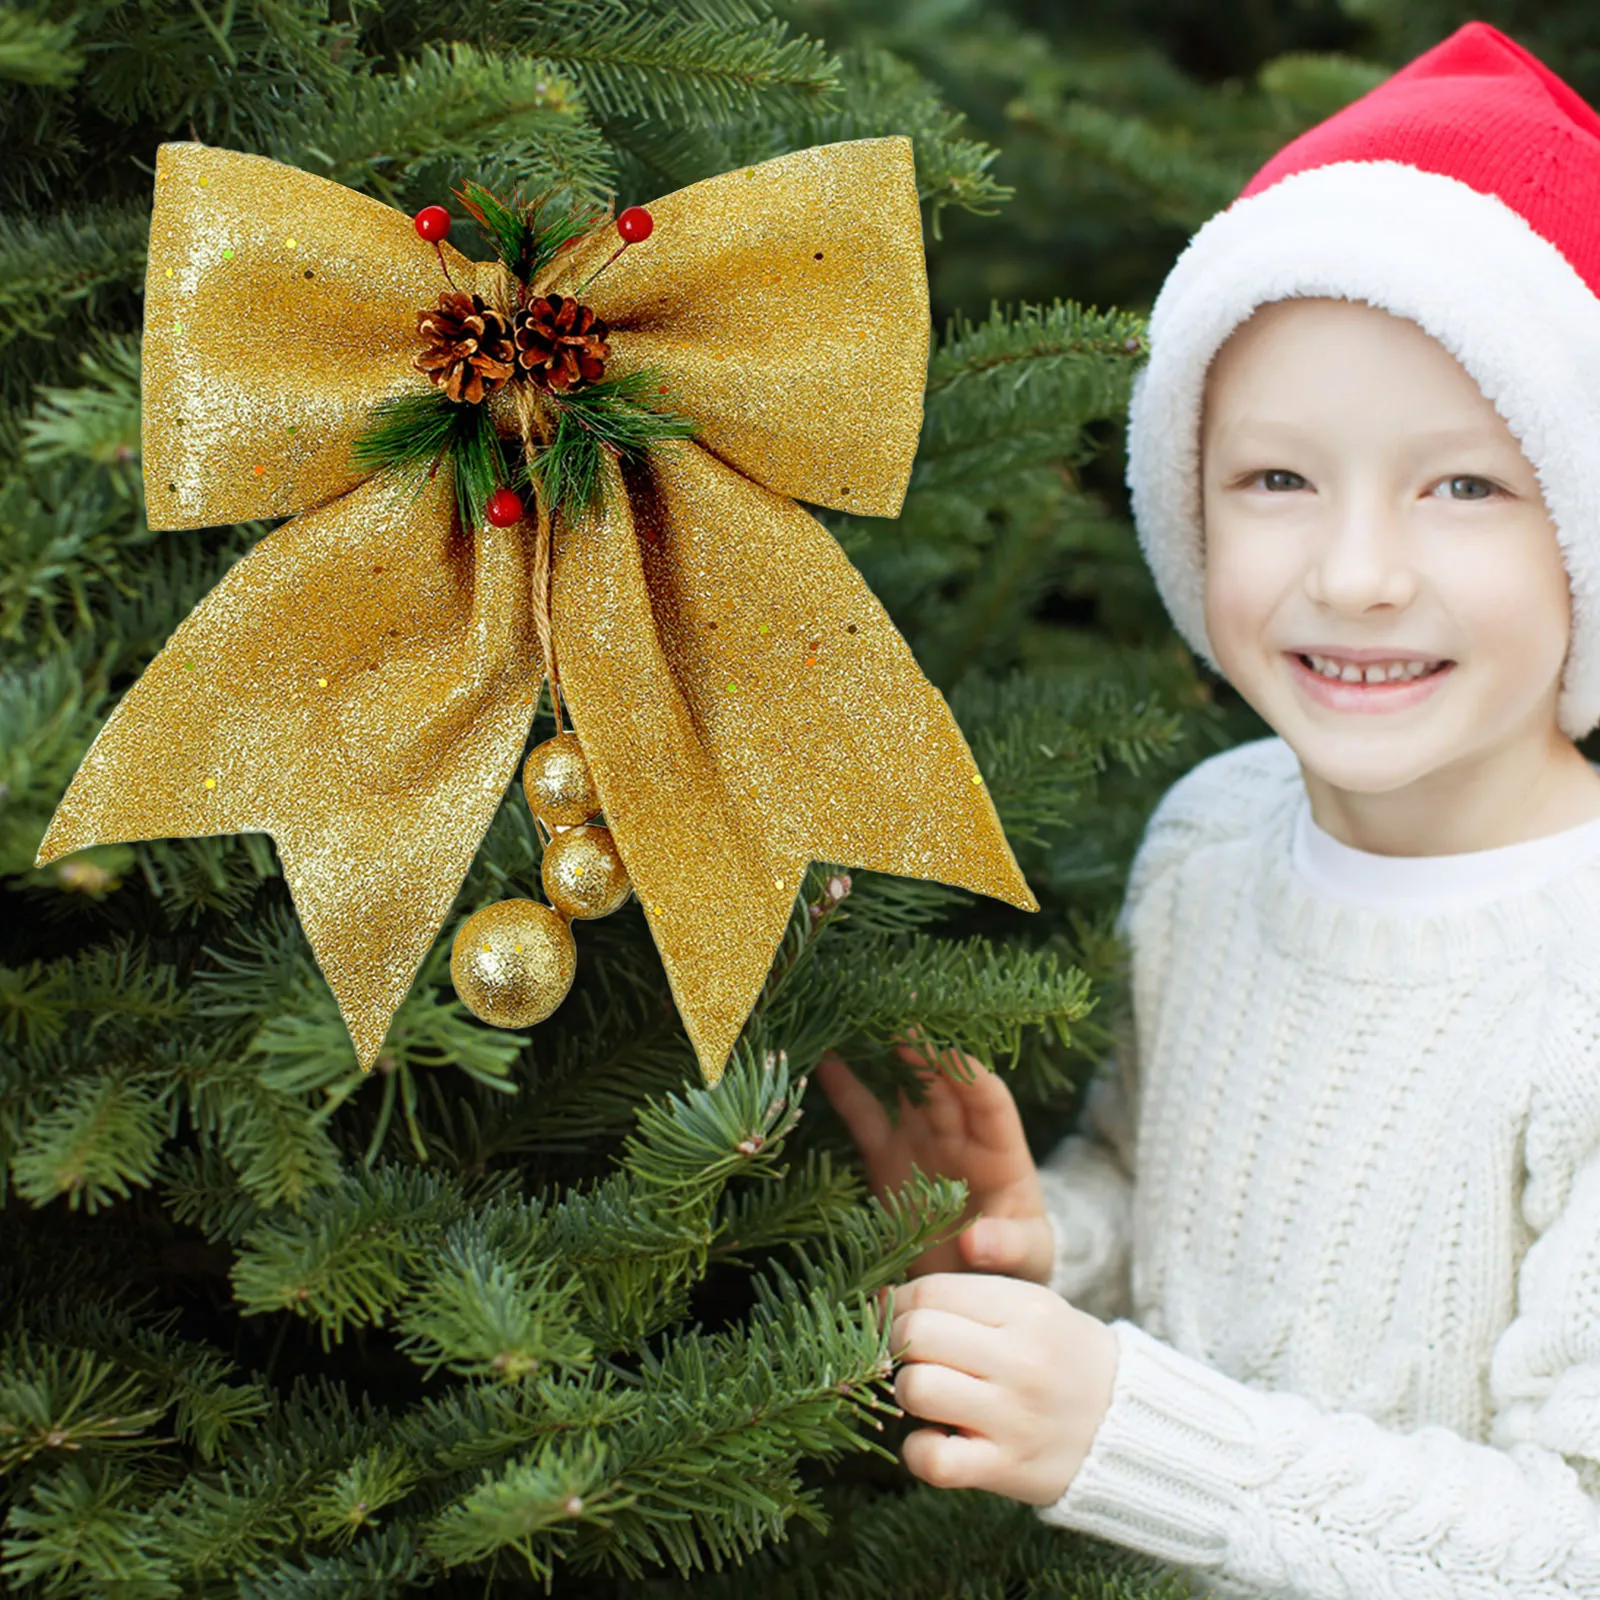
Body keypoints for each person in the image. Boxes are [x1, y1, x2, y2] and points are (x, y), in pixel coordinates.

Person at [816, 20, 1600, 1596]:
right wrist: (1048, 1247)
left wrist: (1123, 1430)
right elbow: (1162, 1195)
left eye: (1463, 487)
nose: (1358, 572)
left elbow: (1571, 1537)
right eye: (1276, 482)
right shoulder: (1213, 836)